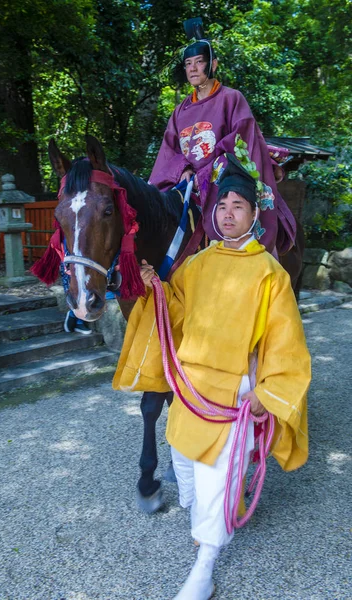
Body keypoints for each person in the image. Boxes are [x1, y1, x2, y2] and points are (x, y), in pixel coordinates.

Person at [113, 154, 311, 600]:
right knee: (183, 461)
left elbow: (286, 343)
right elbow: (177, 314)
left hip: (234, 392)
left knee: (214, 475)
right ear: (214, 212)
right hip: (191, 389)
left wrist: (270, 390)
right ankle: (211, 515)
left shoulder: (270, 274)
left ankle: (204, 565)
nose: (228, 213)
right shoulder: (198, 263)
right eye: (222, 206)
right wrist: (156, 289)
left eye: (238, 206)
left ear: (254, 214)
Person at [149, 18, 296, 257]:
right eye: (188, 64)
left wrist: (206, 172)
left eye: (199, 62)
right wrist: (182, 169)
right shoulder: (179, 111)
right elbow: (170, 148)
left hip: (224, 173)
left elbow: (242, 137)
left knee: (235, 204)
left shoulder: (231, 98)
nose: (193, 69)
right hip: (187, 184)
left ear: (213, 65)